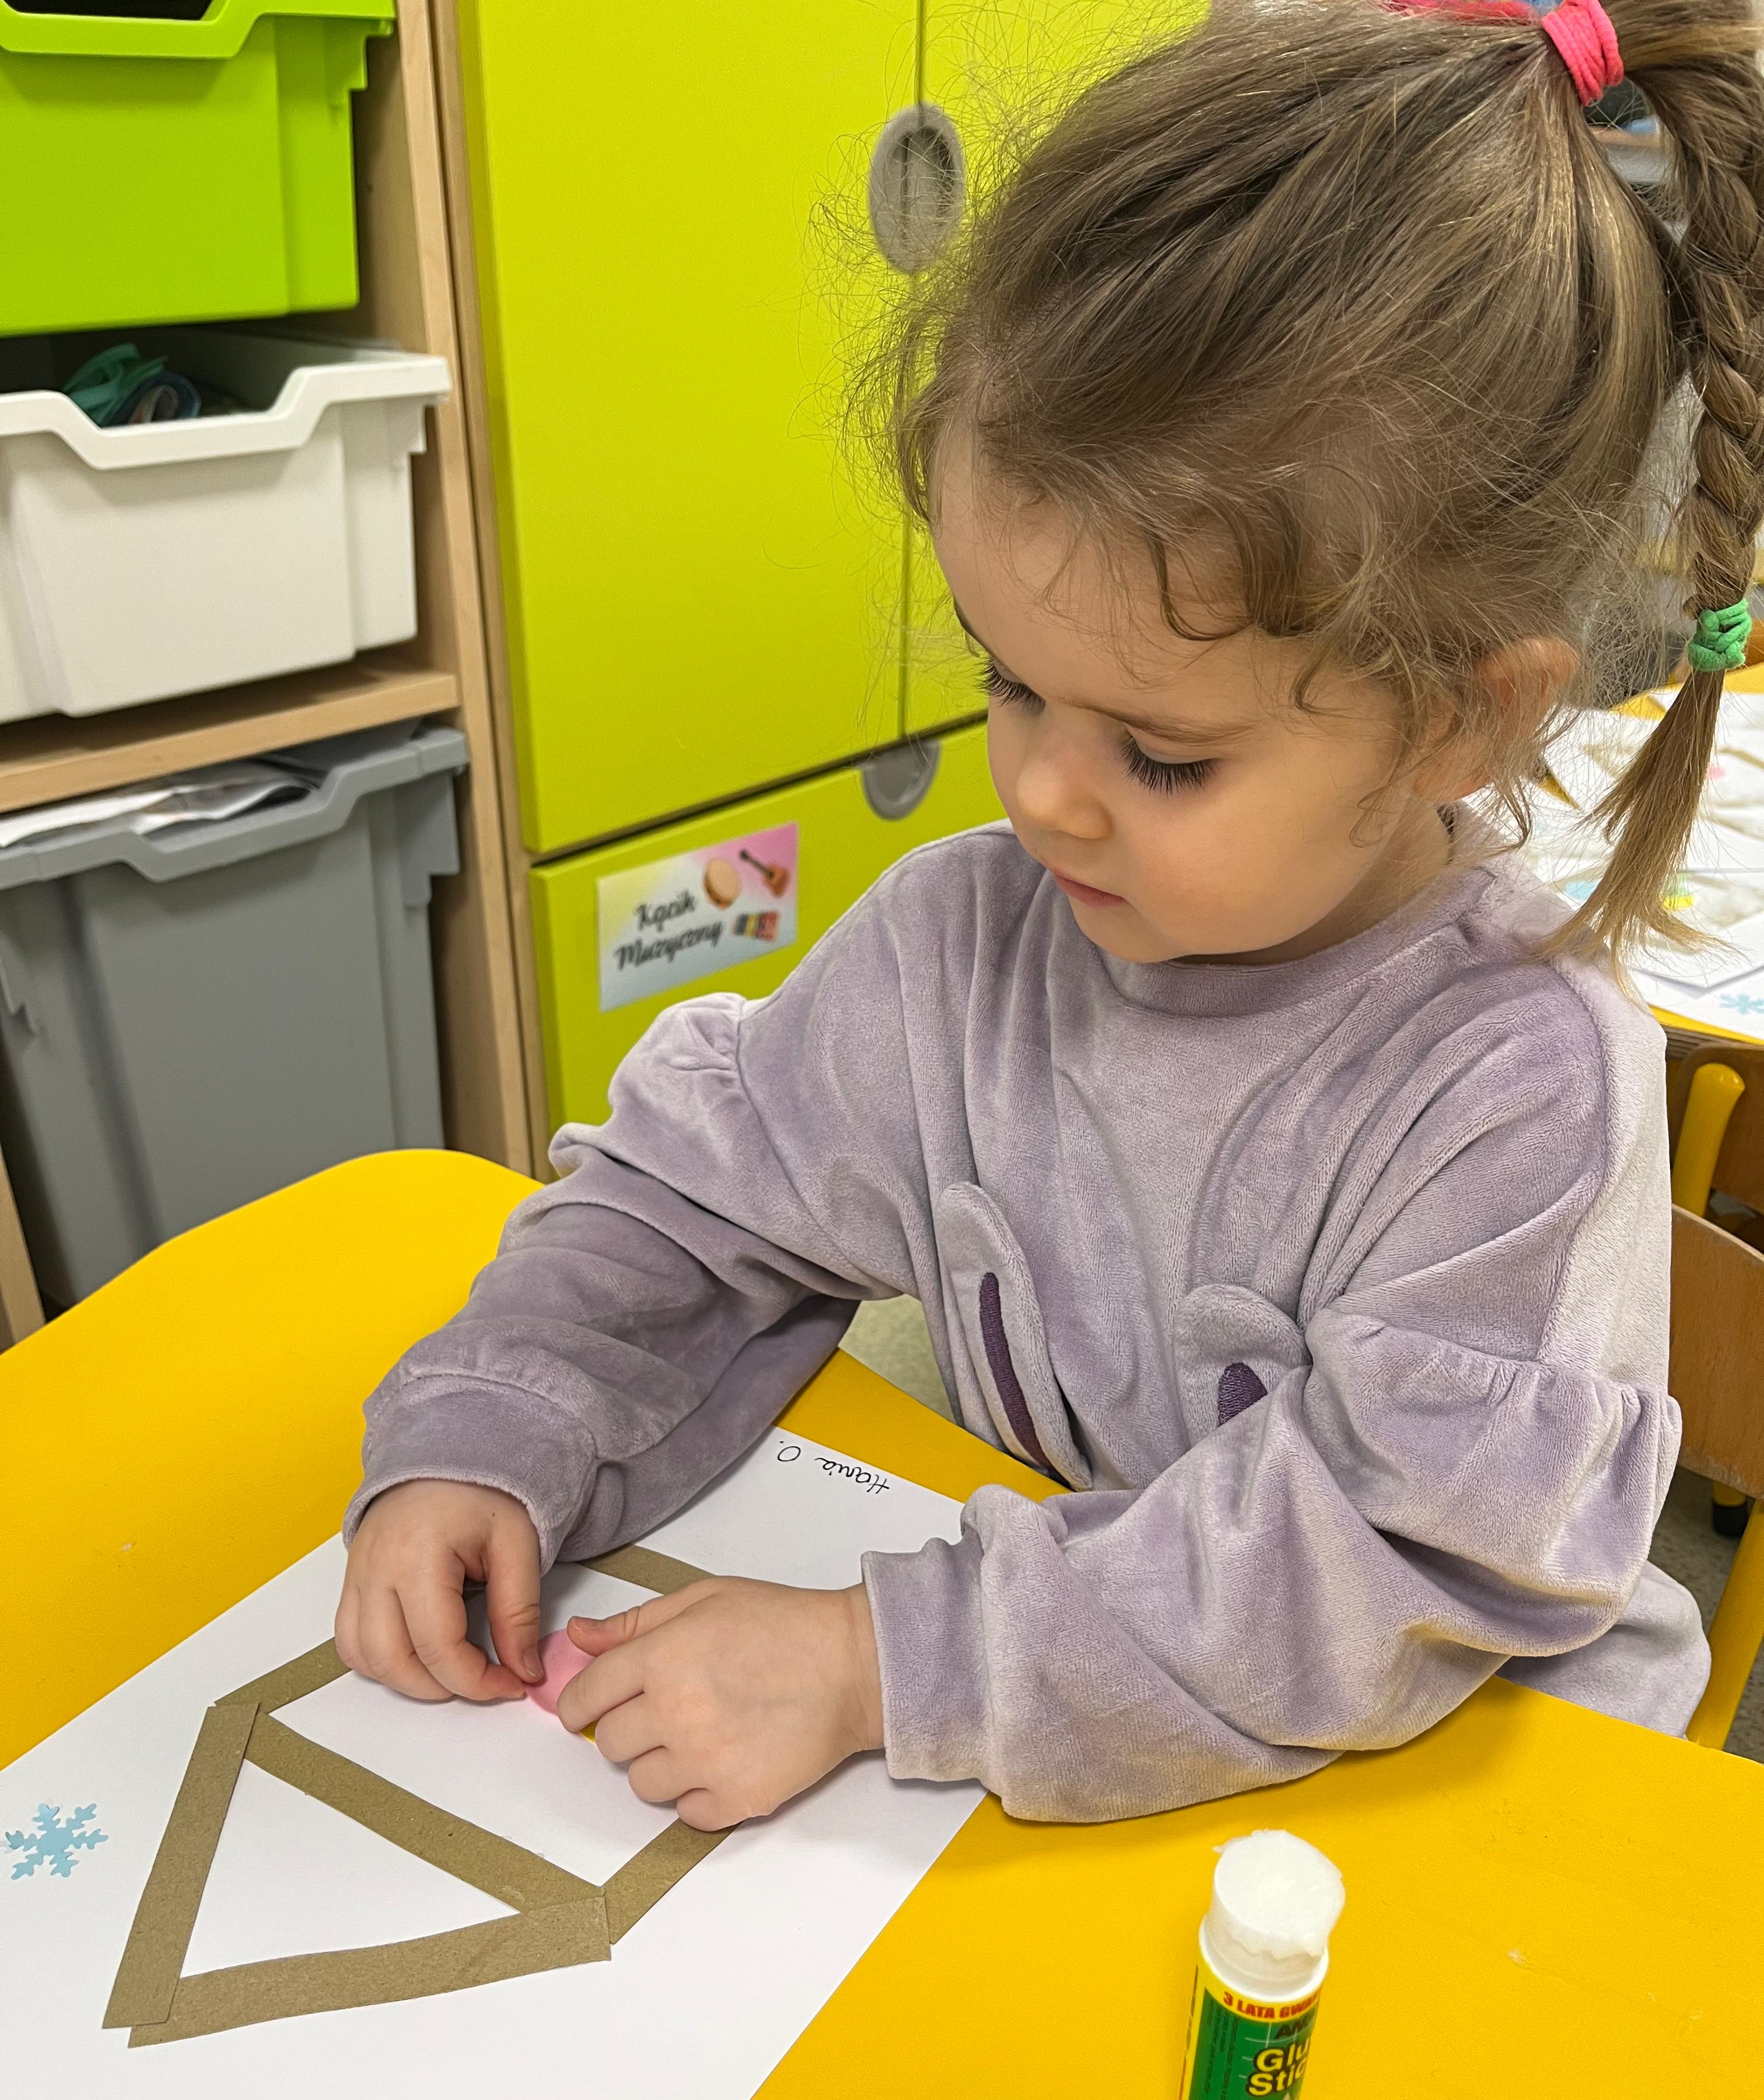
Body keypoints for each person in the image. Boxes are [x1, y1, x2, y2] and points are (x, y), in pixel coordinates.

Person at [337, 0, 1758, 1826]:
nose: (1042, 796)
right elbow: (688, 1205)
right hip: (1099, 1753)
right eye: (1010, 682)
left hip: (1467, 1810)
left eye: (1162, 756)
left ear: (1458, 719)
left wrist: (879, 1663)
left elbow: (1389, 1565)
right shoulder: (963, 947)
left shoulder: (1519, 1084)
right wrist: (496, 1427)